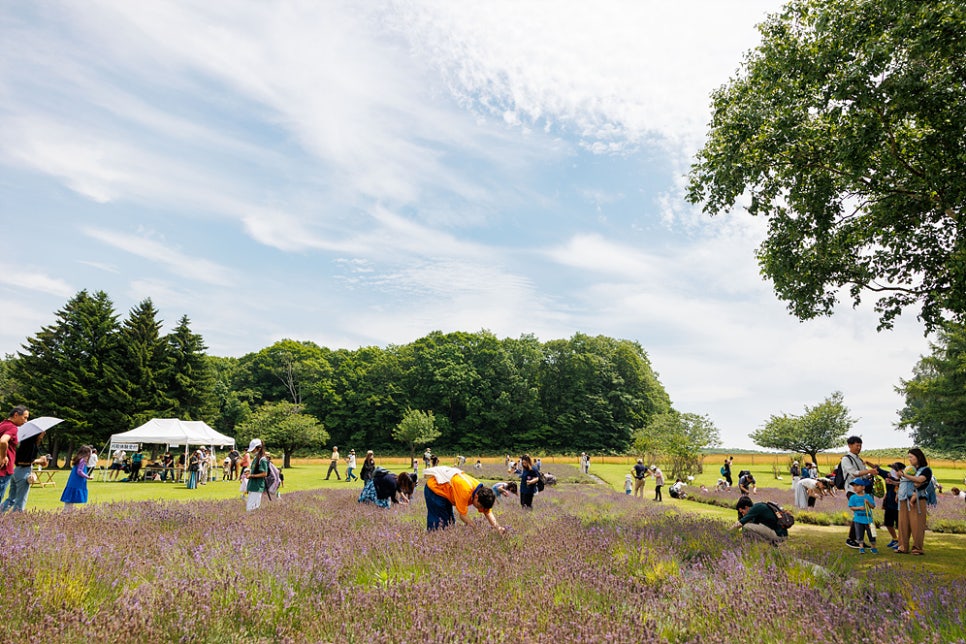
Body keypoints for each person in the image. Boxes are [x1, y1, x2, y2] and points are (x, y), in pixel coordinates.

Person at [423, 466, 504, 533]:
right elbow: (463, 515)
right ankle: (434, 540)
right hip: (434, 489)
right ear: (476, 496)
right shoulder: (465, 491)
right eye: (480, 506)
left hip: (446, 492)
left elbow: (487, 512)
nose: (480, 509)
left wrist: (498, 527)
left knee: (450, 522)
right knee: (439, 522)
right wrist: (476, 530)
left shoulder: (482, 493)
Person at [2, 409, 45, 513]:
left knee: (11, 498)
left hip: (16, 471)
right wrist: (40, 460)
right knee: (21, 500)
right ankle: (15, 521)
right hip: (24, 472)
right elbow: (28, 460)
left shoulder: (23, 443)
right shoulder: (31, 446)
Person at [840, 436, 878, 549]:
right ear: (850, 445)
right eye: (857, 445)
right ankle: (852, 539)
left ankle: (857, 539)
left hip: (862, 490)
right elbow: (854, 473)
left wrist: (870, 475)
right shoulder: (846, 459)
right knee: (860, 513)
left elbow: (863, 474)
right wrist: (869, 471)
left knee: (864, 513)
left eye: (860, 445)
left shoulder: (858, 459)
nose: (859, 447)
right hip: (852, 489)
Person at [895, 448, 932, 556]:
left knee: (917, 525)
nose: (909, 459)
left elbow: (920, 480)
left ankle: (917, 548)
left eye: (911, 457)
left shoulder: (926, 470)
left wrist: (904, 475)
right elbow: (905, 483)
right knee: (903, 523)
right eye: (909, 457)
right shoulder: (909, 469)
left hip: (918, 500)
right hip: (904, 499)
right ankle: (902, 546)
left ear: (918, 457)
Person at [0, 406, 28, 504]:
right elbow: (3, 441)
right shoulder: (12, 428)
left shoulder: (2, 425)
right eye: (24, 417)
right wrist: (3, 456)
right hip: (3, 470)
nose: (25, 421)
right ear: (16, 415)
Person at [875, 462, 903, 550]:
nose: (892, 471)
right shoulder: (888, 476)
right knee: (888, 523)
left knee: (900, 525)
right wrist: (867, 462)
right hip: (889, 504)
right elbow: (877, 470)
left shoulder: (905, 479)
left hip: (900, 506)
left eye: (894, 469)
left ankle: (901, 541)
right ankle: (895, 538)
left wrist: (893, 482)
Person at [847, 479, 878, 554]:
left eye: (857, 486)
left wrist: (868, 503)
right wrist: (859, 508)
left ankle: (873, 547)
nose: (855, 488)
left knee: (871, 534)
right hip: (858, 519)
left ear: (863, 487)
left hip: (868, 519)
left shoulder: (868, 496)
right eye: (854, 486)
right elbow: (851, 507)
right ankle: (861, 547)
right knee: (859, 534)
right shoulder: (853, 497)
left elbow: (873, 506)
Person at [61, 445, 93, 510]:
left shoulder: (78, 459)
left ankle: (67, 512)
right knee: (70, 500)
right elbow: (79, 471)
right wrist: (88, 477)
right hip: (76, 482)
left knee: (70, 499)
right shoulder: (83, 460)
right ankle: (66, 514)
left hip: (73, 481)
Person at [245, 439, 269, 511]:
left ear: (259, 448)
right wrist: (249, 472)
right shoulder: (256, 458)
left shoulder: (262, 459)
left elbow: (264, 473)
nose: (252, 451)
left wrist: (251, 476)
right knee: (251, 507)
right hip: (253, 486)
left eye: (253, 449)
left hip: (257, 486)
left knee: (251, 508)